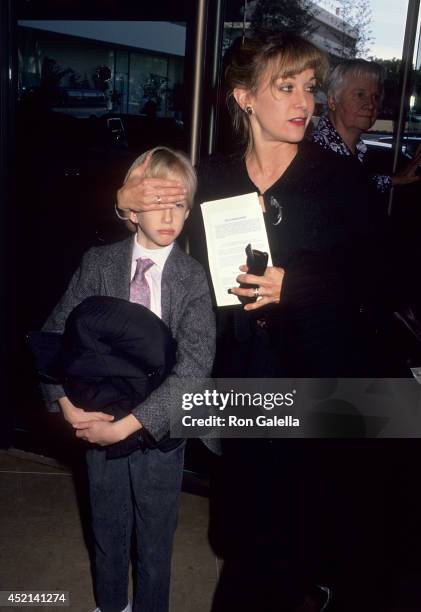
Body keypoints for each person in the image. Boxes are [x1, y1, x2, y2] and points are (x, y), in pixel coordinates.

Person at [116, 32, 395, 612]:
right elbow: (168, 259)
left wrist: (301, 286)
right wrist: (132, 206)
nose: (304, 103)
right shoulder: (211, 179)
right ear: (245, 97)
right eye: (286, 87)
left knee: (294, 539)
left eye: (310, 88)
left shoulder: (340, 180)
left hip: (322, 377)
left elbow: (384, 280)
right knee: (244, 530)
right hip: (242, 375)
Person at [40, 146, 216, 612]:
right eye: (157, 201)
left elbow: (194, 369)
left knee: (156, 536)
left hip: (158, 432)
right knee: (107, 527)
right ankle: (110, 603)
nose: (169, 215)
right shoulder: (99, 264)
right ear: (132, 206)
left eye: (179, 204)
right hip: (98, 420)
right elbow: (55, 335)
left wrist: (129, 425)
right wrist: (66, 405)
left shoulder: (192, 279)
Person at [311, 59, 421, 193]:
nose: (371, 104)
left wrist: (395, 179)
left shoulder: (351, 148)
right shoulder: (315, 154)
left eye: (375, 96)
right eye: (360, 94)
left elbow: (358, 183)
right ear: (332, 100)